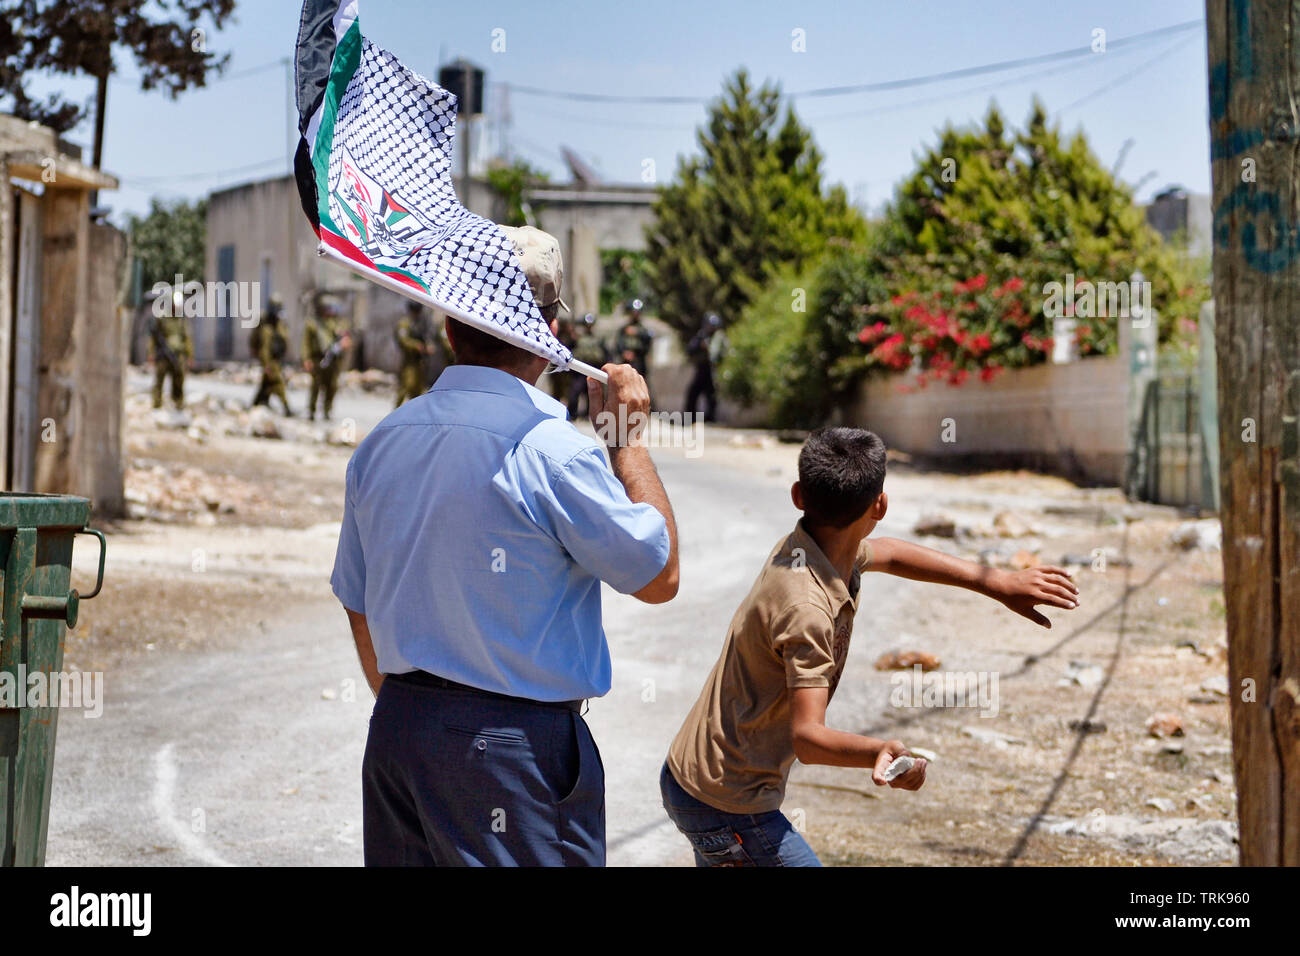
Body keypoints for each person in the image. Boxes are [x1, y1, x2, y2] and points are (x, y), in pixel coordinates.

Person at [332, 224, 680, 867]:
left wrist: (418, 705)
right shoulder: (555, 452)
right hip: (513, 746)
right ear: (549, 335)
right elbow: (657, 576)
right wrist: (628, 441)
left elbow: (357, 598)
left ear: (447, 325)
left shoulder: (383, 442)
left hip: (400, 730)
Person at [660, 426, 1080, 866]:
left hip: (697, 781)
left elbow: (893, 553)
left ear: (798, 495)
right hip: (726, 804)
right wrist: (877, 751)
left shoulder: (813, 548)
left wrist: (997, 583)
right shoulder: (807, 607)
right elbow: (809, 738)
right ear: (880, 504)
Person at [303, 298, 350, 421]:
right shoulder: (313, 324)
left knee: (332, 386)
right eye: (328, 308)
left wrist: (345, 343)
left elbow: (346, 339)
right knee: (316, 386)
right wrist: (306, 359)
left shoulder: (339, 323)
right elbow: (306, 343)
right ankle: (311, 411)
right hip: (318, 359)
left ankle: (327, 411)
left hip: (334, 361)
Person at [250, 294, 294, 416]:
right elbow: (260, 344)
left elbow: (284, 338)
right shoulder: (264, 323)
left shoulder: (280, 323)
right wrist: (266, 364)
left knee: (266, 383)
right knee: (277, 381)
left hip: (277, 357)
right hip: (268, 359)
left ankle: (257, 403)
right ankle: (286, 407)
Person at [149, 289, 192, 410]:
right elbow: (153, 337)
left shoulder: (181, 320)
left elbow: (187, 338)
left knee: (179, 379)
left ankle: (178, 403)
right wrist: (151, 353)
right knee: (159, 380)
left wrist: (189, 356)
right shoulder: (162, 317)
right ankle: (157, 404)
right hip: (163, 354)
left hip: (178, 354)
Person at [684, 312, 726, 423]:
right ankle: (690, 419)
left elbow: (723, 352)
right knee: (693, 394)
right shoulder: (701, 336)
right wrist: (700, 345)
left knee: (712, 396)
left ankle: (710, 419)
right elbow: (690, 349)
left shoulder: (719, 338)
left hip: (713, 370)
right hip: (701, 369)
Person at [394, 300, 436, 407]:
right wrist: (417, 346)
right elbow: (403, 340)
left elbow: (427, 337)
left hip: (420, 361)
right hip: (409, 361)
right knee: (406, 386)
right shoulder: (405, 323)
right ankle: (396, 412)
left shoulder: (420, 324)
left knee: (418, 390)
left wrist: (427, 346)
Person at [567, 312, 607, 420]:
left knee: (591, 393)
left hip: (593, 368)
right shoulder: (577, 338)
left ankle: (588, 415)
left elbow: (605, 353)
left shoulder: (598, 339)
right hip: (579, 369)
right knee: (575, 392)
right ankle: (572, 414)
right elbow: (569, 350)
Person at [613, 299, 653, 403]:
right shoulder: (623, 329)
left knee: (641, 384)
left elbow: (647, 342)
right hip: (626, 361)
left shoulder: (643, 330)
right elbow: (618, 343)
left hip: (639, 361)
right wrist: (624, 353)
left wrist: (638, 333)